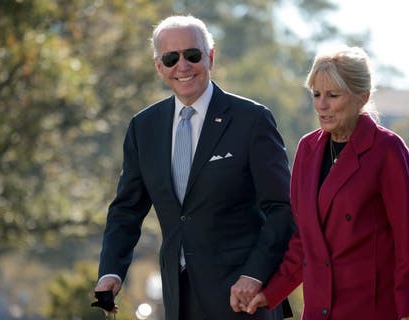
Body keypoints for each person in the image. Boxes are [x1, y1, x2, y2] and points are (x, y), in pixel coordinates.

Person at [94, 15, 295, 320]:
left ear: (210, 57)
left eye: (193, 55)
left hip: (244, 300)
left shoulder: (252, 120)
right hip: (178, 299)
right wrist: (111, 271)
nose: (183, 66)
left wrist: (255, 275)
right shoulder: (143, 127)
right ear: (159, 66)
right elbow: (126, 210)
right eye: (171, 58)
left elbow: (282, 208)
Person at [237, 46, 409, 319]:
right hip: (319, 311)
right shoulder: (307, 149)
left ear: (361, 97)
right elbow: (304, 240)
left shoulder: (388, 149)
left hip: (372, 310)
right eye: (316, 94)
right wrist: (270, 293)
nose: (321, 105)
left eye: (332, 95)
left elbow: (408, 241)